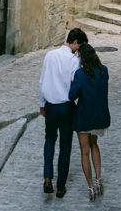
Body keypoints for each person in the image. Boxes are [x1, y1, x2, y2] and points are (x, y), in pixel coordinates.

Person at [38, 27, 88, 198]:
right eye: (79, 46)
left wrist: (41, 104)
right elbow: (75, 85)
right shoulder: (74, 61)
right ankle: (60, 186)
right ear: (75, 43)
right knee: (65, 146)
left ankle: (47, 178)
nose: (78, 50)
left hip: (51, 106)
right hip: (66, 107)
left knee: (49, 140)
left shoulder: (50, 55)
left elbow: (42, 80)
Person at [69, 41, 111, 201]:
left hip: (84, 117)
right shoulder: (104, 71)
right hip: (99, 116)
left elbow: (72, 95)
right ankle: (99, 179)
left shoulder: (80, 74)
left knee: (84, 152)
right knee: (95, 145)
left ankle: (91, 187)